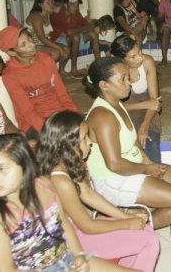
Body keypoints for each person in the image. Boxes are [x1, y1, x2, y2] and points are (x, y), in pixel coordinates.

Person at [0, 134, 130, 271]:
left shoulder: (43, 184)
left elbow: (64, 225)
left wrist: (79, 255)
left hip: (66, 260)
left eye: (2, 169)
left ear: (24, 166)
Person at [37, 111, 160, 271]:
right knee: (149, 241)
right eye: (84, 138)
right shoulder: (59, 180)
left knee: (145, 230)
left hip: (78, 232)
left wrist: (125, 216)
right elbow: (87, 226)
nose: (90, 142)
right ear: (68, 144)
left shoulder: (66, 164)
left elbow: (89, 194)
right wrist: (127, 223)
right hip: (70, 242)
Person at [83, 58, 171, 229]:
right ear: (104, 85)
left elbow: (133, 141)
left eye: (128, 77)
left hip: (132, 168)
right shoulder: (102, 116)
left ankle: (131, 210)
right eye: (123, 79)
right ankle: (133, 227)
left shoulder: (117, 103)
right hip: (112, 179)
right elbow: (114, 165)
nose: (130, 83)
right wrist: (147, 169)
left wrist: (147, 161)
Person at [0, 26, 79, 139]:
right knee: (63, 142)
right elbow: (28, 113)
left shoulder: (46, 59)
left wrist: (76, 115)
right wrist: (50, 132)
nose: (32, 45)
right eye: (23, 45)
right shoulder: (10, 75)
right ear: (12, 53)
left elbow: (62, 94)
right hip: (34, 123)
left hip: (58, 113)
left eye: (30, 39)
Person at [111, 35, 163, 163]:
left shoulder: (147, 62)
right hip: (122, 113)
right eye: (133, 56)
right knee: (127, 148)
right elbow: (112, 106)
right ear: (122, 59)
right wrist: (146, 104)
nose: (139, 57)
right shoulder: (113, 69)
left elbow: (154, 101)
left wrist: (145, 126)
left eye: (139, 51)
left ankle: (155, 177)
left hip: (147, 113)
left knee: (151, 144)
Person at [50, 0, 101, 77]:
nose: (76, 7)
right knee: (76, 37)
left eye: (77, 5)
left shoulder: (76, 14)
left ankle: (99, 65)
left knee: (93, 34)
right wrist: (80, 29)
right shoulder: (58, 14)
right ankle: (74, 69)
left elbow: (87, 26)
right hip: (58, 40)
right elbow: (68, 32)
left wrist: (78, 29)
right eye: (73, 4)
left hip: (71, 38)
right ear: (66, 5)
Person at [24, 0, 68, 74]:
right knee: (56, 53)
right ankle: (43, 75)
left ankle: (61, 72)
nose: (52, 5)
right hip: (32, 45)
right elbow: (42, 38)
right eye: (48, 3)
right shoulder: (36, 16)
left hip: (42, 44)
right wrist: (59, 48)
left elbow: (58, 8)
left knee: (66, 49)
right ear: (40, 5)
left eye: (52, 2)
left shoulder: (46, 15)